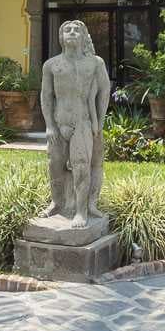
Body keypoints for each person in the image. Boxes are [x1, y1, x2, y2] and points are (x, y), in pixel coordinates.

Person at [39, 19, 111, 228]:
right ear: (61, 38)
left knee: (81, 166)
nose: (71, 32)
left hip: (83, 122)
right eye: (67, 30)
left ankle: (81, 211)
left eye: (76, 30)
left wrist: (99, 122)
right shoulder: (51, 65)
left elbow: (104, 91)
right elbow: (46, 96)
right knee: (55, 165)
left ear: (83, 36)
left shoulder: (95, 63)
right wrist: (50, 125)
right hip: (59, 122)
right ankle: (56, 203)